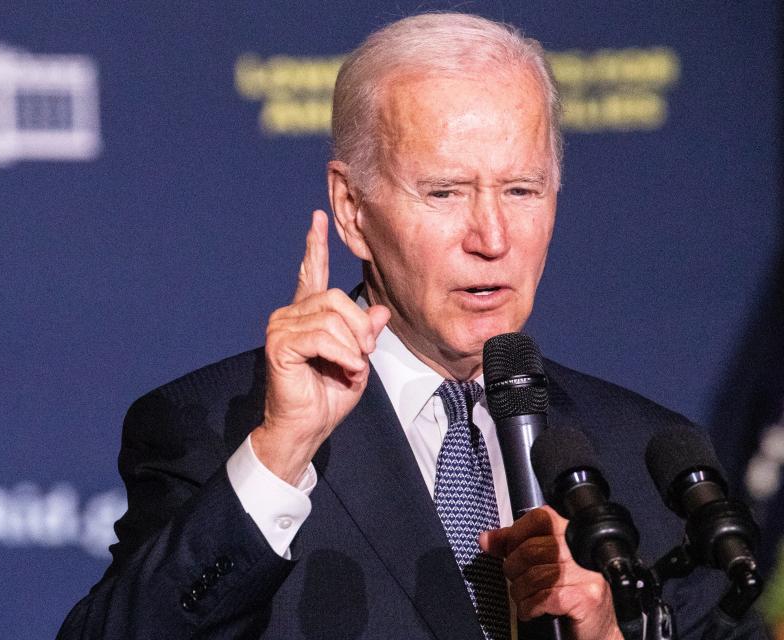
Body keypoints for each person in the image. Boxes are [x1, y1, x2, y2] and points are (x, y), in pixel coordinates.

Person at [59, 12, 766, 640]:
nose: (491, 236)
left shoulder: (648, 454)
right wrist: (281, 454)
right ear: (353, 209)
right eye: (446, 192)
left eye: (521, 190)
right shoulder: (220, 429)